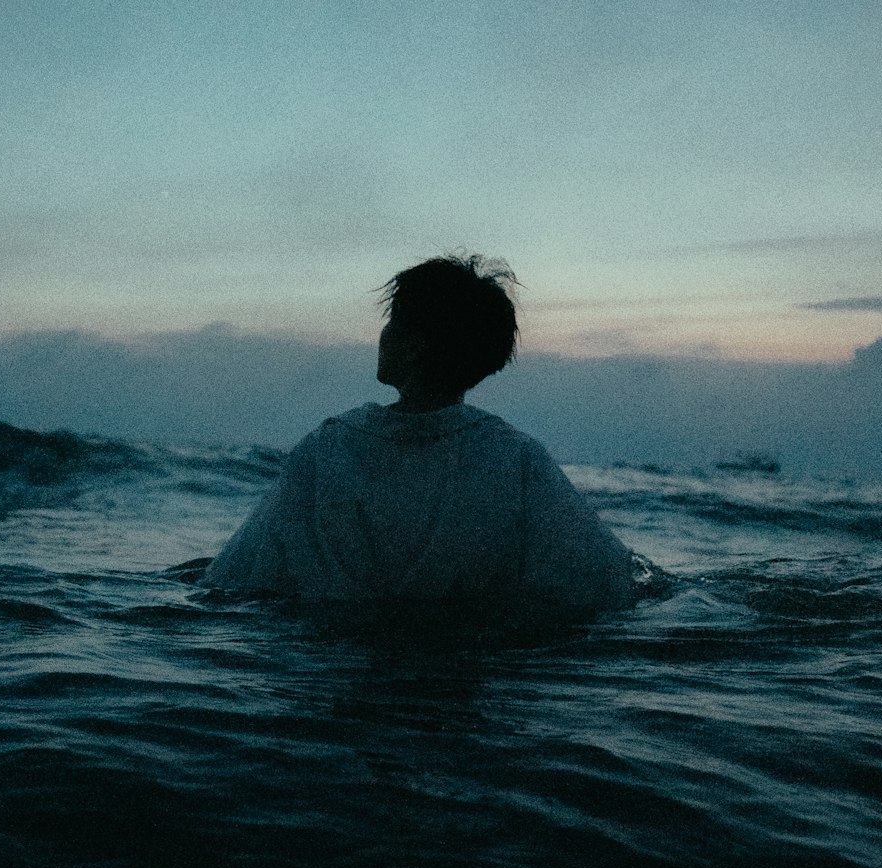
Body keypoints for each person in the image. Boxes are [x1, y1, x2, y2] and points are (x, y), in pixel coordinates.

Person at [202, 254, 638, 612]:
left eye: (393, 322)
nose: (382, 334)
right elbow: (603, 581)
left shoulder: (330, 446)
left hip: (335, 659)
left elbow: (234, 580)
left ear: (413, 345)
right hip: (466, 666)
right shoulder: (518, 459)